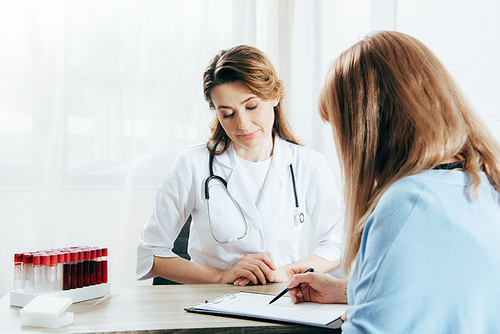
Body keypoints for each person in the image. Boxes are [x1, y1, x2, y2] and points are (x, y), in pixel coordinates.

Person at [287, 31, 500, 332]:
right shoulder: (482, 184)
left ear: (367, 129)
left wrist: (359, 316)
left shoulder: (408, 203)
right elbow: (453, 290)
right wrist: (351, 291)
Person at [136, 45, 344, 286]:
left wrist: (286, 273)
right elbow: (149, 254)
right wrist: (222, 276)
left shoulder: (309, 164)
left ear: (274, 95)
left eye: (251, 106)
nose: (243, 124)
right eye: (227, 113)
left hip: (281, 299)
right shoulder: (192, 164)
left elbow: (337, 244)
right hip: (209, 303)